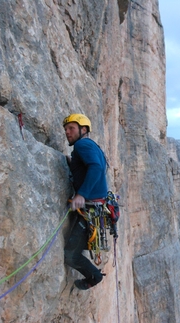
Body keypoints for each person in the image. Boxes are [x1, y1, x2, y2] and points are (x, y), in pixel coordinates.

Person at [63, 113, 108, 290]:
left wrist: (81, 194)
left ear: (83, 130)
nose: (67, 132)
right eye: (66, 129)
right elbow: (93, 166)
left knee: (71, 255)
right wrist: (73, 164)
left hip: (89, 208)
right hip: (95, 207)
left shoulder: (82, 144)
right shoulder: (91, 145)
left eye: (71, 128)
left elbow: (96, 167)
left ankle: (94, 277)